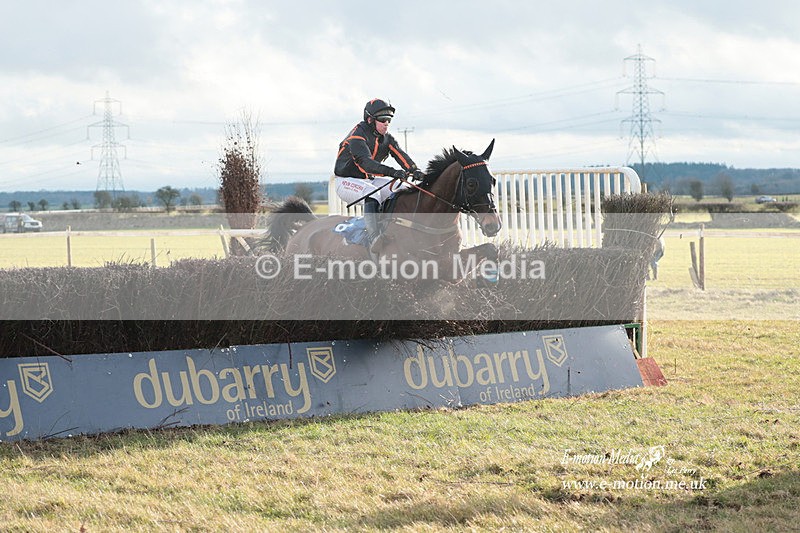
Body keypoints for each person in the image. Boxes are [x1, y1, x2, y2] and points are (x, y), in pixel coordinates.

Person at [334, 98, 424, 253]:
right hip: (346, 181)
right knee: (372, 195)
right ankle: (374, 238)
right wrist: (392, 172)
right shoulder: (357, 136)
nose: (386, 123)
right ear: (370, 120)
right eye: (383, 119)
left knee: (403, 188)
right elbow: (365, 164)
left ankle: (395, 228)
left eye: (389, 120)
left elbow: (401, 155)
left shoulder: (387, 138)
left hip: (368, 180)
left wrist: (414, 170)